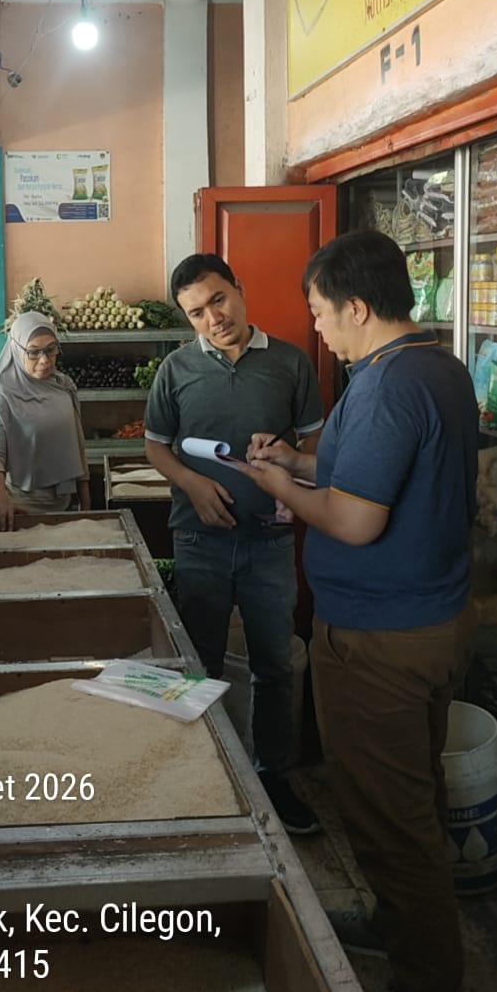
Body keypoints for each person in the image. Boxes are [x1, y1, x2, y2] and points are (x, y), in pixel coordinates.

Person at [239, 230, 479, 992]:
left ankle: (429, 988)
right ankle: (395, 924)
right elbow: (371, 476)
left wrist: (277, 486)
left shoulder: (384, 386)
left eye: (320, 311)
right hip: (433, 620)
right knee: (413, 798)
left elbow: (353, 519)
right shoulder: (435, 366)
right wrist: (297, 461)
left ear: (359, 307)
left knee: (391, 823)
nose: (317, 327)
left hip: (381, 641)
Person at [143, 253, 324, 835]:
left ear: (239, 289)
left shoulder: (290, 363)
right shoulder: (175, 370)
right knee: (199, 664)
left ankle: (273, 776)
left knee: (275, 664)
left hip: (270, 541)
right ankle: (201, 776)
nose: (213, 318)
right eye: (197, 312)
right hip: (200, 541)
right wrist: (194, 485)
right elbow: (156, 447)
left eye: (218, 300)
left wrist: (293, 475)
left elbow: (316, 445)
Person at [0, 311, 91, 529]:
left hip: (63, 504)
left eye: (51, 349)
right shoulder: (1, 392)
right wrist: (1, 503)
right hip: (18, 509)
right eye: (33, 352)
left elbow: (78, 444)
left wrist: (87, 503)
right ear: (17, 348)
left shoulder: (63, 386)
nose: (44, 360)